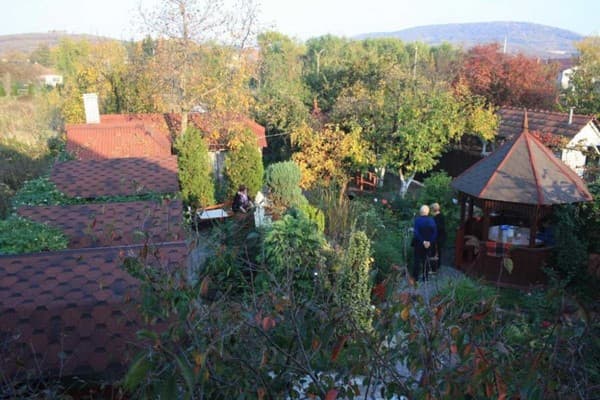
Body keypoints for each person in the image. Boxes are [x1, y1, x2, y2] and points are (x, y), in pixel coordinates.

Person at [412, 204, 437, 281]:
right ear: (428, 212)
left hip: (418, 243)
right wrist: (429, 242)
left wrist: (423, 241)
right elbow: (435, 233)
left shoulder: (417, 220)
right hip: (428, 244)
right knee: (426, 259)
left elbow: (416, 233)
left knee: (417, 259)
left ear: (420, 212)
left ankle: (415, 277)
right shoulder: (432, 220)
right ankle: (425, 277)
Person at [431, 202, 446, 273]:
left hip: (437, 237)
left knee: (434, 252)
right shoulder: (442, 216)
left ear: (433, 210)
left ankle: (434, 267)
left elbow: (438, 227)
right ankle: (438, 265)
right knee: (438, 251)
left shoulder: (435, 218)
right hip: (441, 236)